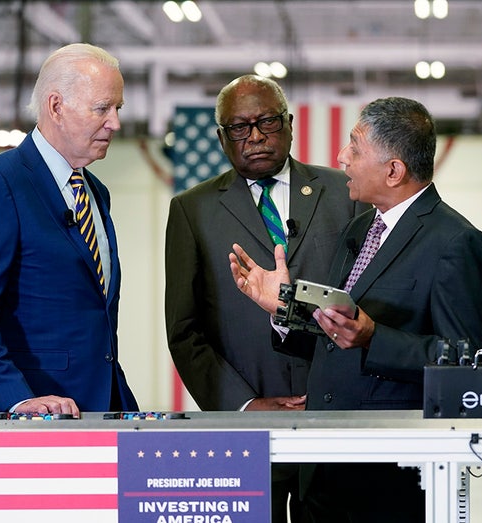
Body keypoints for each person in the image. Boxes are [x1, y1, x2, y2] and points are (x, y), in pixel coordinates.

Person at [230, 96, 482, 523]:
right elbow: (337, 339)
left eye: (354, 147)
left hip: (389, 479)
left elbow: (470, 364)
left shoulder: (456, 242)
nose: (341, 158)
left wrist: (376, 338)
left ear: (394, 171)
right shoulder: (359, 229)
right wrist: (282, 308)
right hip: (321, 467)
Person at [164, 74, 366, 521]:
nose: (254, 136)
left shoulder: (347, 194)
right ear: (221, 137)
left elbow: (367, 302)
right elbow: (184, 330)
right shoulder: (192, 211)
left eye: (267, 122)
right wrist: (244, 404)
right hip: (246, 428)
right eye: (239, 127)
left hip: (335, 419)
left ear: (289, 124)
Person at [0, 43, 138, 416]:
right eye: (102, 108)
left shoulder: (96, 193)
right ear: (56, 107)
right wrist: (18, 399)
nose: (115, 122)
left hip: (95, 408)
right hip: (22, 416)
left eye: (118, 109)